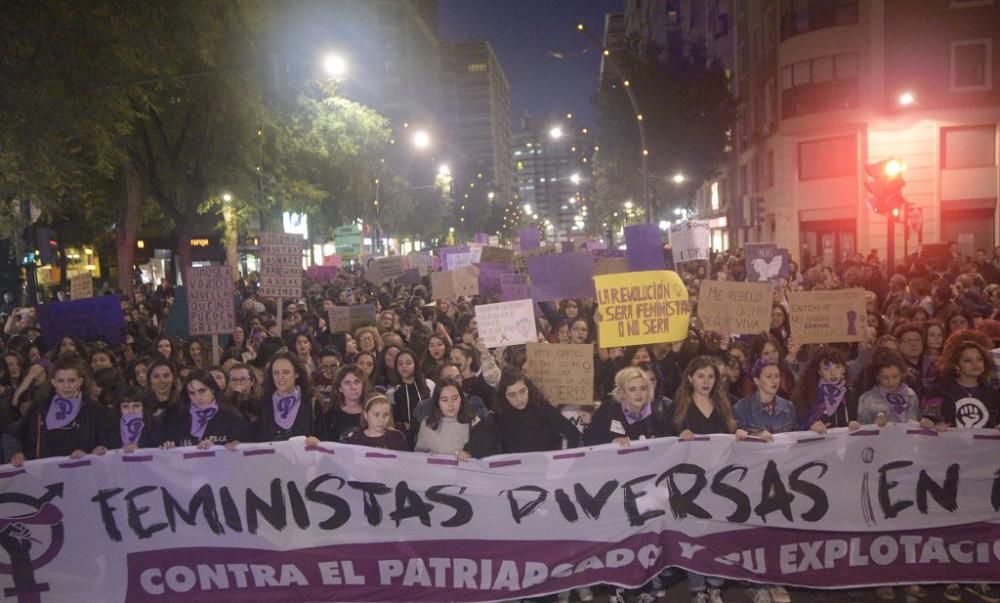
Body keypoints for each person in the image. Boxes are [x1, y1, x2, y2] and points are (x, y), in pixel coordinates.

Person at [667, 356, 745, 603]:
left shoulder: (725, 404)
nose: (706, 381)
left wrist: (742, 433)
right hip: (690, 483)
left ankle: (715, 586)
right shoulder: (678, 407)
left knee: (718, 533)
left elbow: (735, 432)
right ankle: (697, 588)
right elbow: (664, 441)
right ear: (690, 378)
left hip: (721, 480)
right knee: (694, 536)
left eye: (711, 376)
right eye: (700, 376)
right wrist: (679, 436)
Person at [12, 357, 110, 466]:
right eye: (61, 381)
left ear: (80, 382)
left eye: (71, 380)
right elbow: (23, 437)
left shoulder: (94, 409)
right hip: (45, 474)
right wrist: (20, 454)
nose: (66, 386)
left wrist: (93, 451)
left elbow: (104, 443)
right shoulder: (40, 407)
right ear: (53, 382)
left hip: (83, 471)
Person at [472, 370, 580, 457]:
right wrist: (468, 452)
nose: (519, 399)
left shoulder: (542, 407)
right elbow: (482, 437)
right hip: (519, 473)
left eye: (523, 391)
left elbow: (572, 432)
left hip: (548, 470)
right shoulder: (499, 415)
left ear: (529, 388)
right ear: (504, 396)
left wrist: (566, 461)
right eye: (512, 395)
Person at [162, 370, 249, 449]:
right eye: (192, 393)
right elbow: (170, 445)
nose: (198, 397)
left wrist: (219, 447)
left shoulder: (231, 415)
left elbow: (245, 444)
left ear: (212, 389)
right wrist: (169, 446)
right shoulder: (177, 416)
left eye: (202, 391)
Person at [584, 366, 670, 446]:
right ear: (623, 393)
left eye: (643, 388)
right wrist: (611, 443)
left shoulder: (656, 416)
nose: (638, 394)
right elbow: (590, 439)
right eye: (632, 389)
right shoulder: (608, 410)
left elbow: (666, 442)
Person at [255, 351, 316, 442]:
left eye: (286, 372)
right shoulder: (263, 403)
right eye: (276, 373)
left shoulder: (311, 402)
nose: (280, 377)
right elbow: (256, 439)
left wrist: (316, 440)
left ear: (296, 374)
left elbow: (322, 437)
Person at [792, 347, 858, 431]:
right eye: (827, 369)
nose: (833, 373)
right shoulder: (809, 394)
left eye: (837, 367)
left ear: (843, 369)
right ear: (819, 372)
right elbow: (800, 425)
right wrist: (811, 427)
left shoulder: (850, 393)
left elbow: (853, 419)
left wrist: (853, 424)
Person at [414, 379, 482, 459]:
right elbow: (419, 457)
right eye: (445, 400)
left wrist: (470, 454)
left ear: (461, 399)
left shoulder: (474, 422)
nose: (451, 404)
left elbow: (483, 455)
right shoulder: (427, 424)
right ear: (437, 402)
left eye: (455, 398)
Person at [317, 364, 371, 442]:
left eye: (357, 382)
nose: (353, 387)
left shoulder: (372, 413)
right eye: (347, 383)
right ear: (340, 388)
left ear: (363, 385)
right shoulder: (331, 416)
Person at [386, 348, 434, 431]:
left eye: (408, 363)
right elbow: (390, 419)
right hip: (403, 434)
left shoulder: (429, 384)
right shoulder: (392, 391)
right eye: (400, 364)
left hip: (428, 431)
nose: (404, 366)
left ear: (415, 364)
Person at [344, 394, 408, 450]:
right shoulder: (356, 439)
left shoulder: (397, 437)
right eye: (376, 415)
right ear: (366, 415)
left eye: (386, 415)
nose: (381, 420)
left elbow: (404, 461)